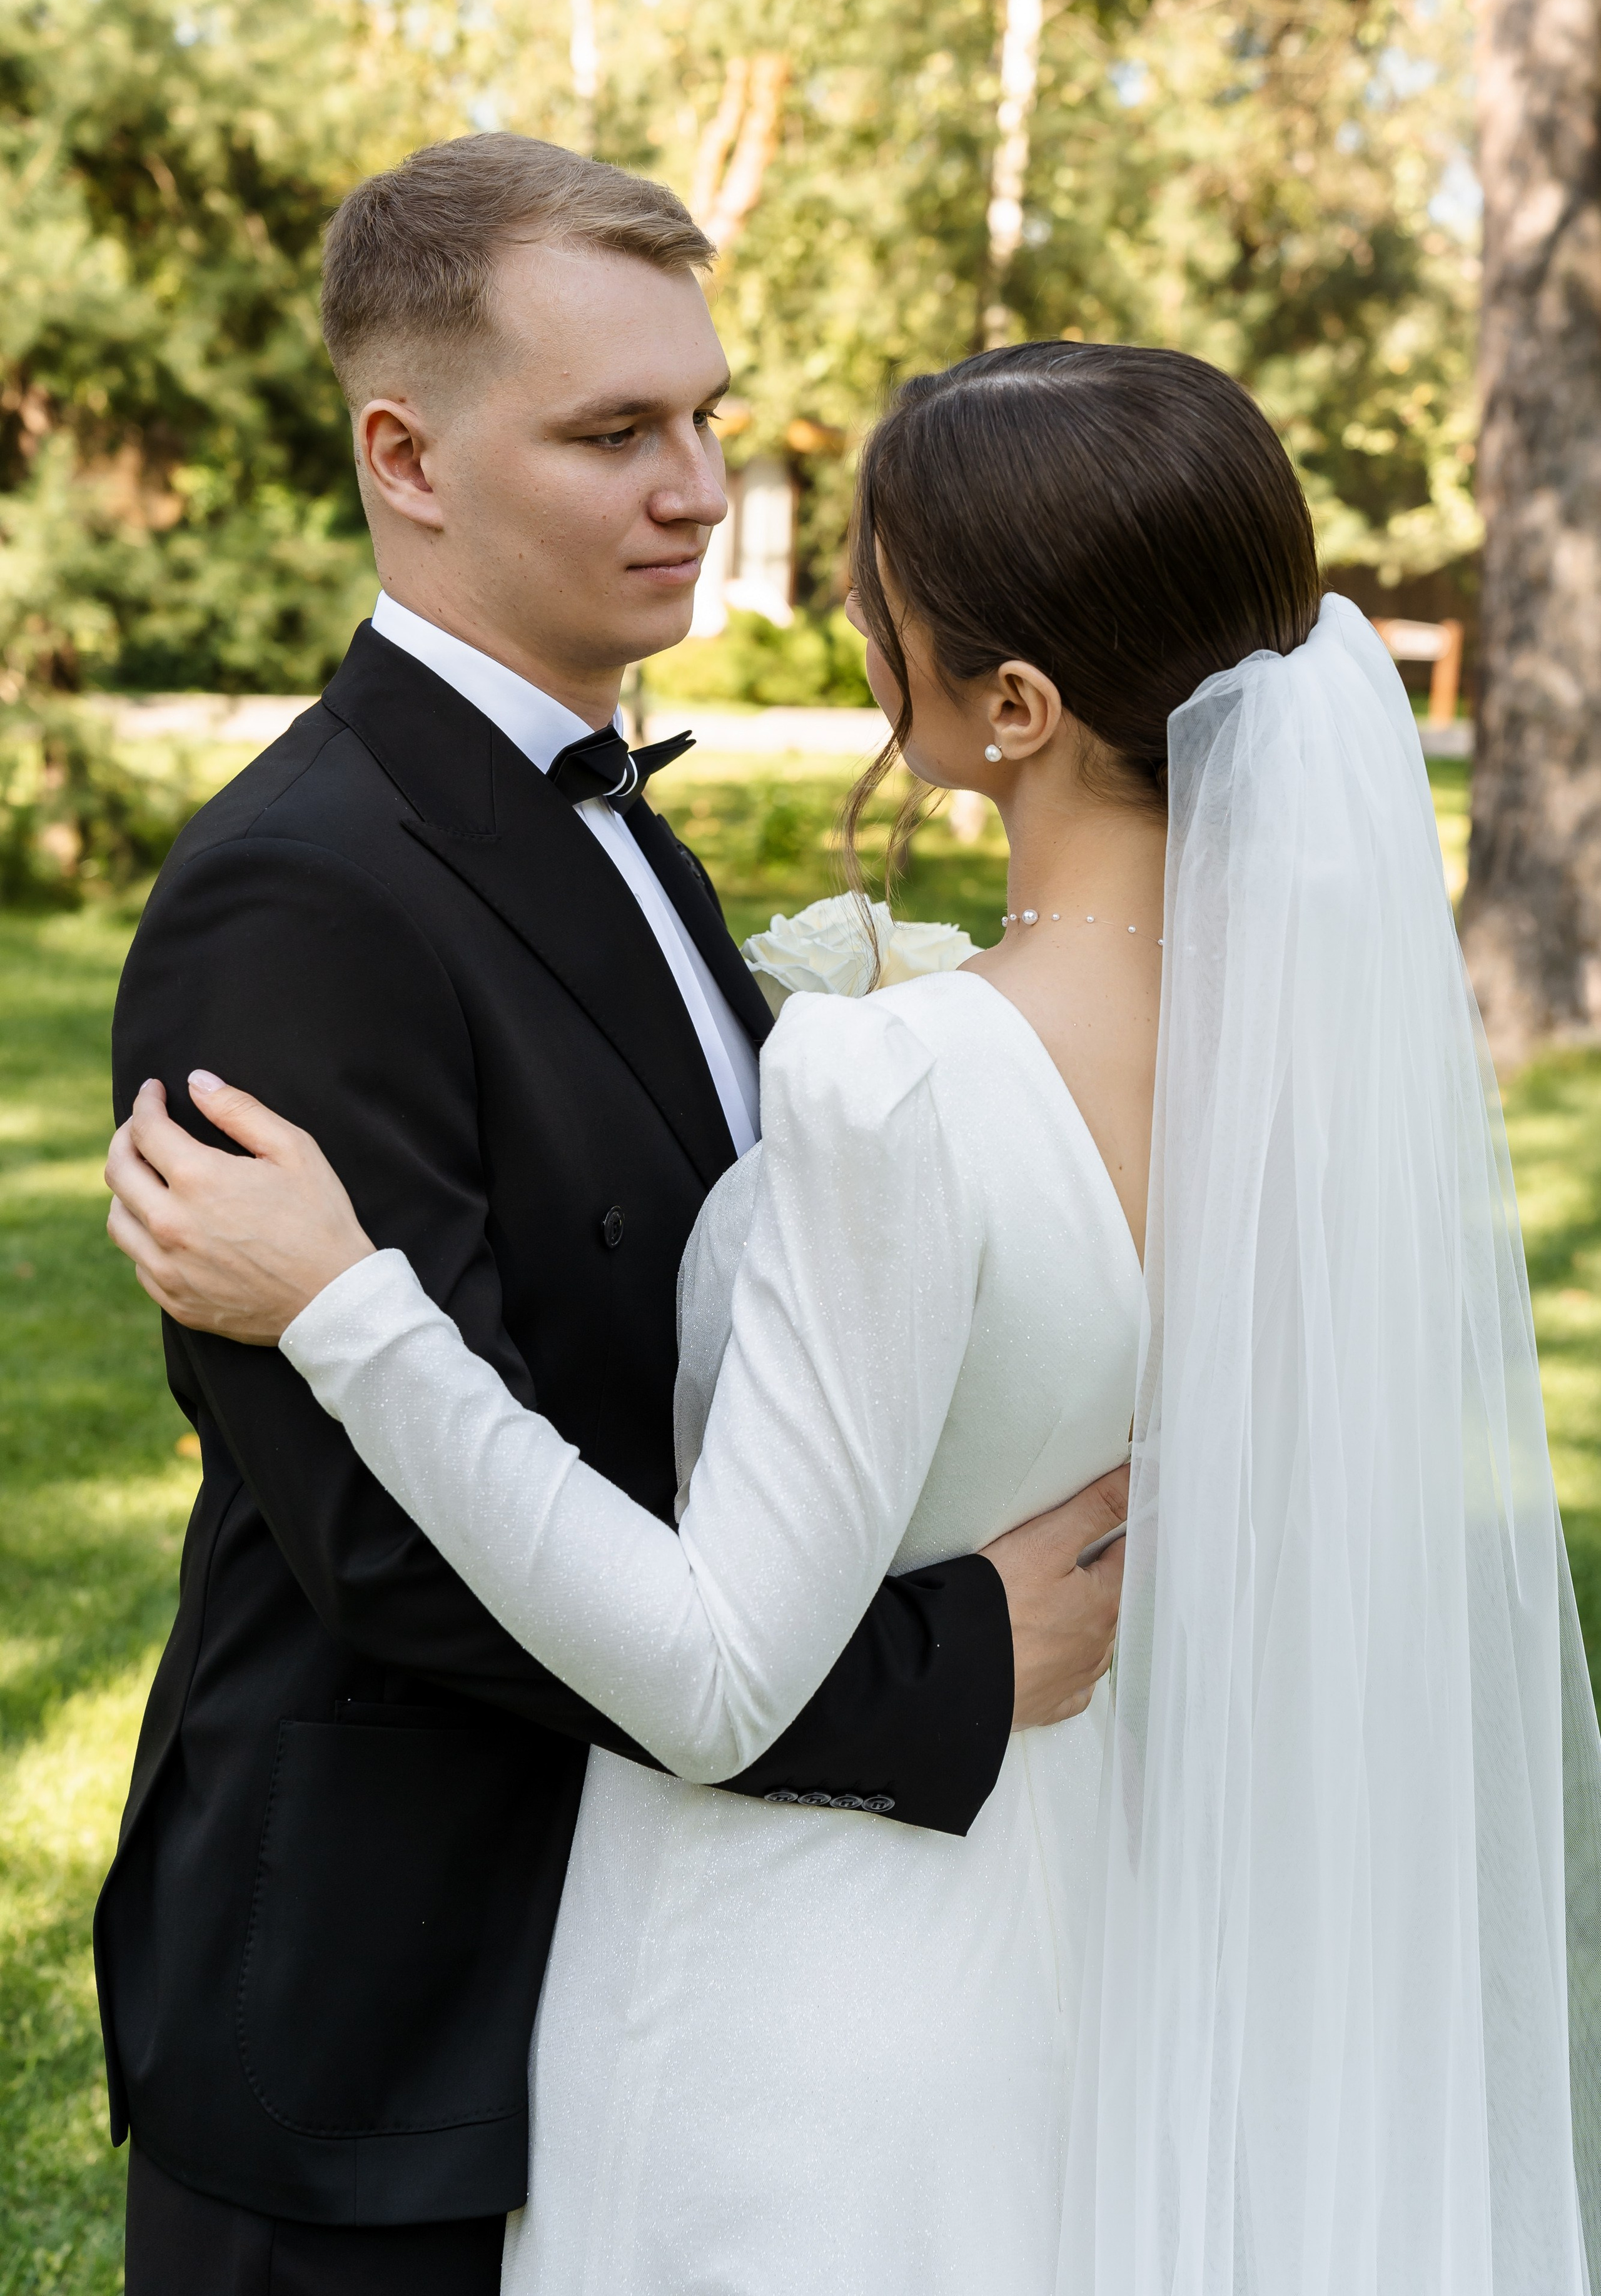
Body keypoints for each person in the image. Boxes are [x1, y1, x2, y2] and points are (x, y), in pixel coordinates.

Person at [112, 336, 1601, 2296]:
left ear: (1010, 704)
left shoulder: (901, 1080)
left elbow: (714, 1675)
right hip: (1077, 1950)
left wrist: (346, 1305)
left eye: (879, 593)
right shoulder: (1307, 1073)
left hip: (786, 2007)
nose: (787, 558)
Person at [94, 139, 1129, 2296]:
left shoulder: (624, 829)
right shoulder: (296, 895)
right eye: (612, 432)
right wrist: (937, 1675)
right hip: (385, 2003)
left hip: (654, 1930)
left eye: (708, 422)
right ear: (407, 455)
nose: (696, 487)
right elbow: (379, 1545)